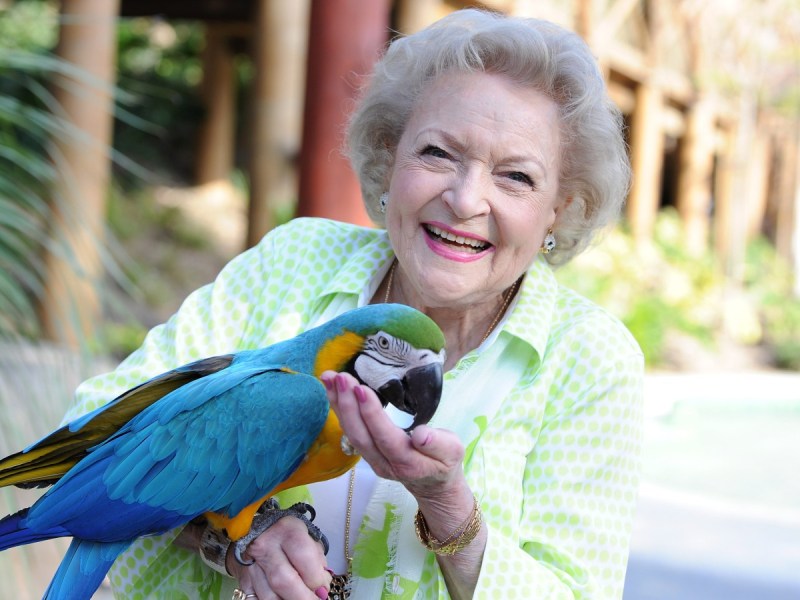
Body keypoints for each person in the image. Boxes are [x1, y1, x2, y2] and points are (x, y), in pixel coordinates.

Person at [65, 8, 642, 599]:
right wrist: (235, 542)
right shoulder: (296, 262)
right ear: (390, 157)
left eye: (516, 177)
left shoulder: (589, 358)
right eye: (439, 153)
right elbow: (102, 423)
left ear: (561, 209)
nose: (466, 199)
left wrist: (447, 508)